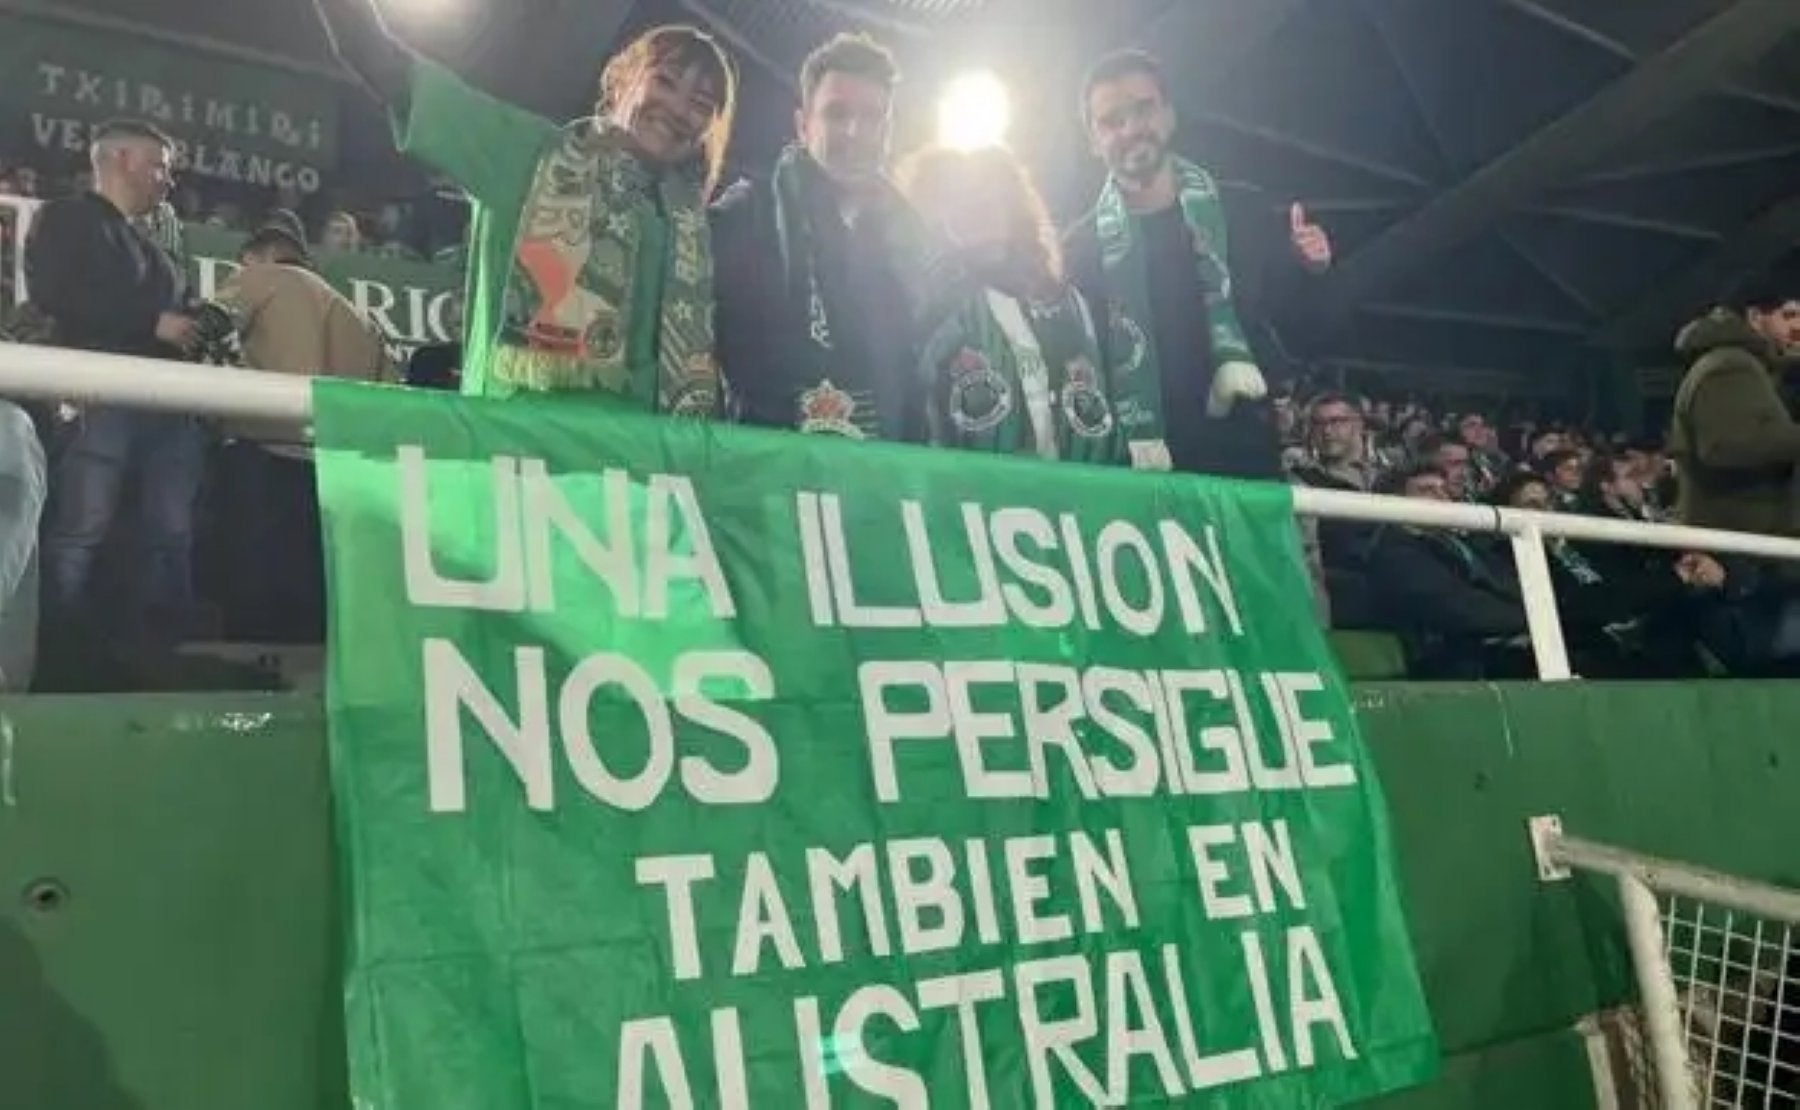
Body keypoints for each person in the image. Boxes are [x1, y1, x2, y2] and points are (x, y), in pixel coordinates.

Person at [312, 0, 736, 412]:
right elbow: (382, 65)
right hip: (521, 463)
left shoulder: (689, 229)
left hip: (639, 473)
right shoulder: (528, 157)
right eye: (665, 81)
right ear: (623, 82)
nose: (679, 109)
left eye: (701, 105)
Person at [1064, 49, 1331, 480]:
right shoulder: (1077, 249)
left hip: (1244, 460)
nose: (1131, 129)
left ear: (1169, 115)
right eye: (1112, 121)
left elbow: (1307, 331)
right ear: (1093, 141)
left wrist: (1312, 272)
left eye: (1144, 109)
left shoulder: (1242, 210)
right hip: (1138, 469)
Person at [23, 119, 206, 688]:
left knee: (168, 531)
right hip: (99, 402)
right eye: (160, 166)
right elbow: (58, 294)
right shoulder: (64, 220)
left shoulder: (156, 251)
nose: (167, 182)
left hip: (167, 408)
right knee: (83, 525)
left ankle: (158, 650)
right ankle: (54, 654)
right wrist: (152, 322)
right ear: (123, 159)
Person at [712, 33, 945, 441]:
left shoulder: (915, 242)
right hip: (773, 477)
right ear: (803, 125)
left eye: (872, 117)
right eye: (837, 114)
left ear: (888, 131)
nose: (855, 131)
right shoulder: (747, 213)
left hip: (886, 480)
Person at [212, 224, 388, 641]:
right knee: (315, 581)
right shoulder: (361, 316)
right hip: (335, 463)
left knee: (255, 581)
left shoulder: (263, 277)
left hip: (265, 446)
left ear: (261, 257)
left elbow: (209, 323)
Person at [898, 145, 1118, 462]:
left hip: (1077, 498)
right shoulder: (933, 303)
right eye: (959, 199)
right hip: (972, 499)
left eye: (987, 195)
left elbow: (1099, 406)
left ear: (1013, 205)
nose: (976, 207)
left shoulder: (1066, 302)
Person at [1668, 272, 1800, 538]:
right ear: (1754, 318)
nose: (1798, 327)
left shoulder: (1750, 367)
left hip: (1746, 540)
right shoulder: (1730, 364)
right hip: (1734, 542)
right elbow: (1728, 445)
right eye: (1788, 316)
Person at [1365, 465, 1529, 678]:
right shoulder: (1394, 551)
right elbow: (1456, 608)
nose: (1442, 497)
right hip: (1453, 662)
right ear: (1396, 500)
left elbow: (1513, 582)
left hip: (1502, 645)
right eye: (1427, 490)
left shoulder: (1462, 543)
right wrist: (1528, 620)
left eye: (1444, 490)